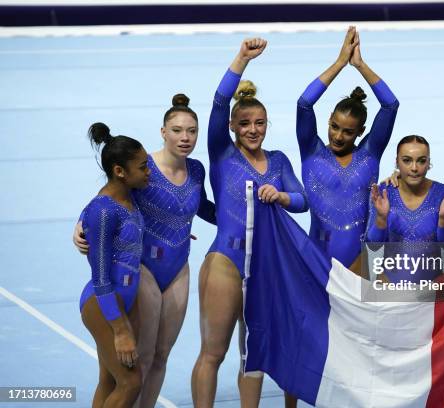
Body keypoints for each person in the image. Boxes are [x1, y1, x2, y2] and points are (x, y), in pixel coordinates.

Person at [74, 95, 217, 408]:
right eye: (177, 130)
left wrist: (237, 219)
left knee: (162, 355)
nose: (185, 137)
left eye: (192, 130)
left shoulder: (196, 170)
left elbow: (201, 206)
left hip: (179, 266)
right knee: (141, 358)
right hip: (144, 269)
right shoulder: (144, 167)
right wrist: (80, 224)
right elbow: (107, 199)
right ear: (163, 132)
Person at [191, 38, 308, 408]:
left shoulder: (278, 161)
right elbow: (218, 102)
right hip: (226, 261)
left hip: (265, 268)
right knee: (214, 353)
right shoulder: (222, 152)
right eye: (245, 124)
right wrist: (241, 59)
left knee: (252, 353)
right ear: (232, 126)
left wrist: (283, 196)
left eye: (260, 123)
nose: (253, 130)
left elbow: (303, 200)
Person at [296, 26, 399, 276]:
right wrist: (340, 63)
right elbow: (304, 103)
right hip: (317, 262)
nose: (338, 136)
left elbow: (390, 104)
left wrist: (360, 65)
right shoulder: (311, 150)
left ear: (361, 131)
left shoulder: (370, 154)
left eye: (348, 132)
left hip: (360, 263)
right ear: (329, 119)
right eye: (334, 127)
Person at [79, 122, 149, 408]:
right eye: (143, 167)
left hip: (125, 299)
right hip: (103, 301)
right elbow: (101, 276)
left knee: (110, 381)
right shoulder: (104, 210)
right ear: (119, 171)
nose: (148, 172)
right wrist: (120, 330)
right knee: (131, 382)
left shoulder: (128, 195)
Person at [367, 135, 444, 283]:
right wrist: (381, 219)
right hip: (389, 289)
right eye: (407, 160)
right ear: (397, 162)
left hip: (429, 292)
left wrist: (443, 218)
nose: (414, 168)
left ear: (429, 163)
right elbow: (373, 245)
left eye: (421, 161)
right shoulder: (384, 192)